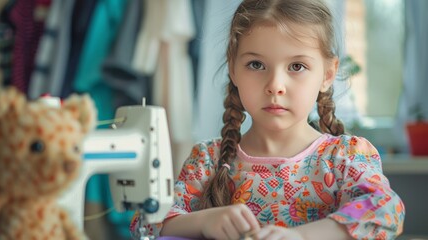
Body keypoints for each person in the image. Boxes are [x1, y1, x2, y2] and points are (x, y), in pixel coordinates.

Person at [130, 0, 405, 239]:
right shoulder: (207, 160)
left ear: (327, 74)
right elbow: (146, 222)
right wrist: (205, 222)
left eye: (297, 66)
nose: (275, 85)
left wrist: (300, 237)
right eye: (256, 65)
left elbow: (384, 210)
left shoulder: (344, 157)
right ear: (233, 70)